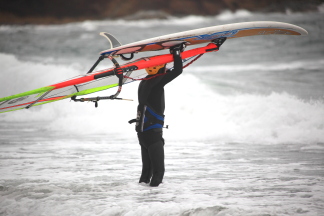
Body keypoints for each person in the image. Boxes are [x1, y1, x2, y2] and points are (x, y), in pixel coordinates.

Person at [130, 43, 185, 187]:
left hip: (142, 134)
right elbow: (177, 70)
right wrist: (176, 52)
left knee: (146, 171)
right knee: (158, 172)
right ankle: (155, 201)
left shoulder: (143, 82)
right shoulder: (157, 83)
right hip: (153, 135)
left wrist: (174, 55)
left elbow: (166, 73)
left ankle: (142, 198)